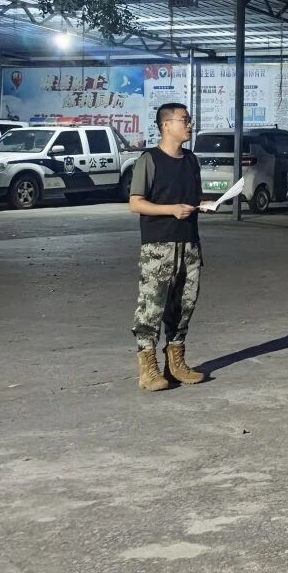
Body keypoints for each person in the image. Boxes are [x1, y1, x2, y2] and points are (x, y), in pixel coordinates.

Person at [128, 102, 206, 391]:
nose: (190, 125)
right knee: (151, 307)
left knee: (184, 305)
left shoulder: (191, 160)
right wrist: (171, 210)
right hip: (158, 246)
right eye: (184, 120)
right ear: (166, 125)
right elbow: (136, 203)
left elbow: (191, 198)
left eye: (189, 120)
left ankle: (176, 363)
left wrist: (203, 205)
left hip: (190, 244)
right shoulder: (149, 160)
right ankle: (148, 368)